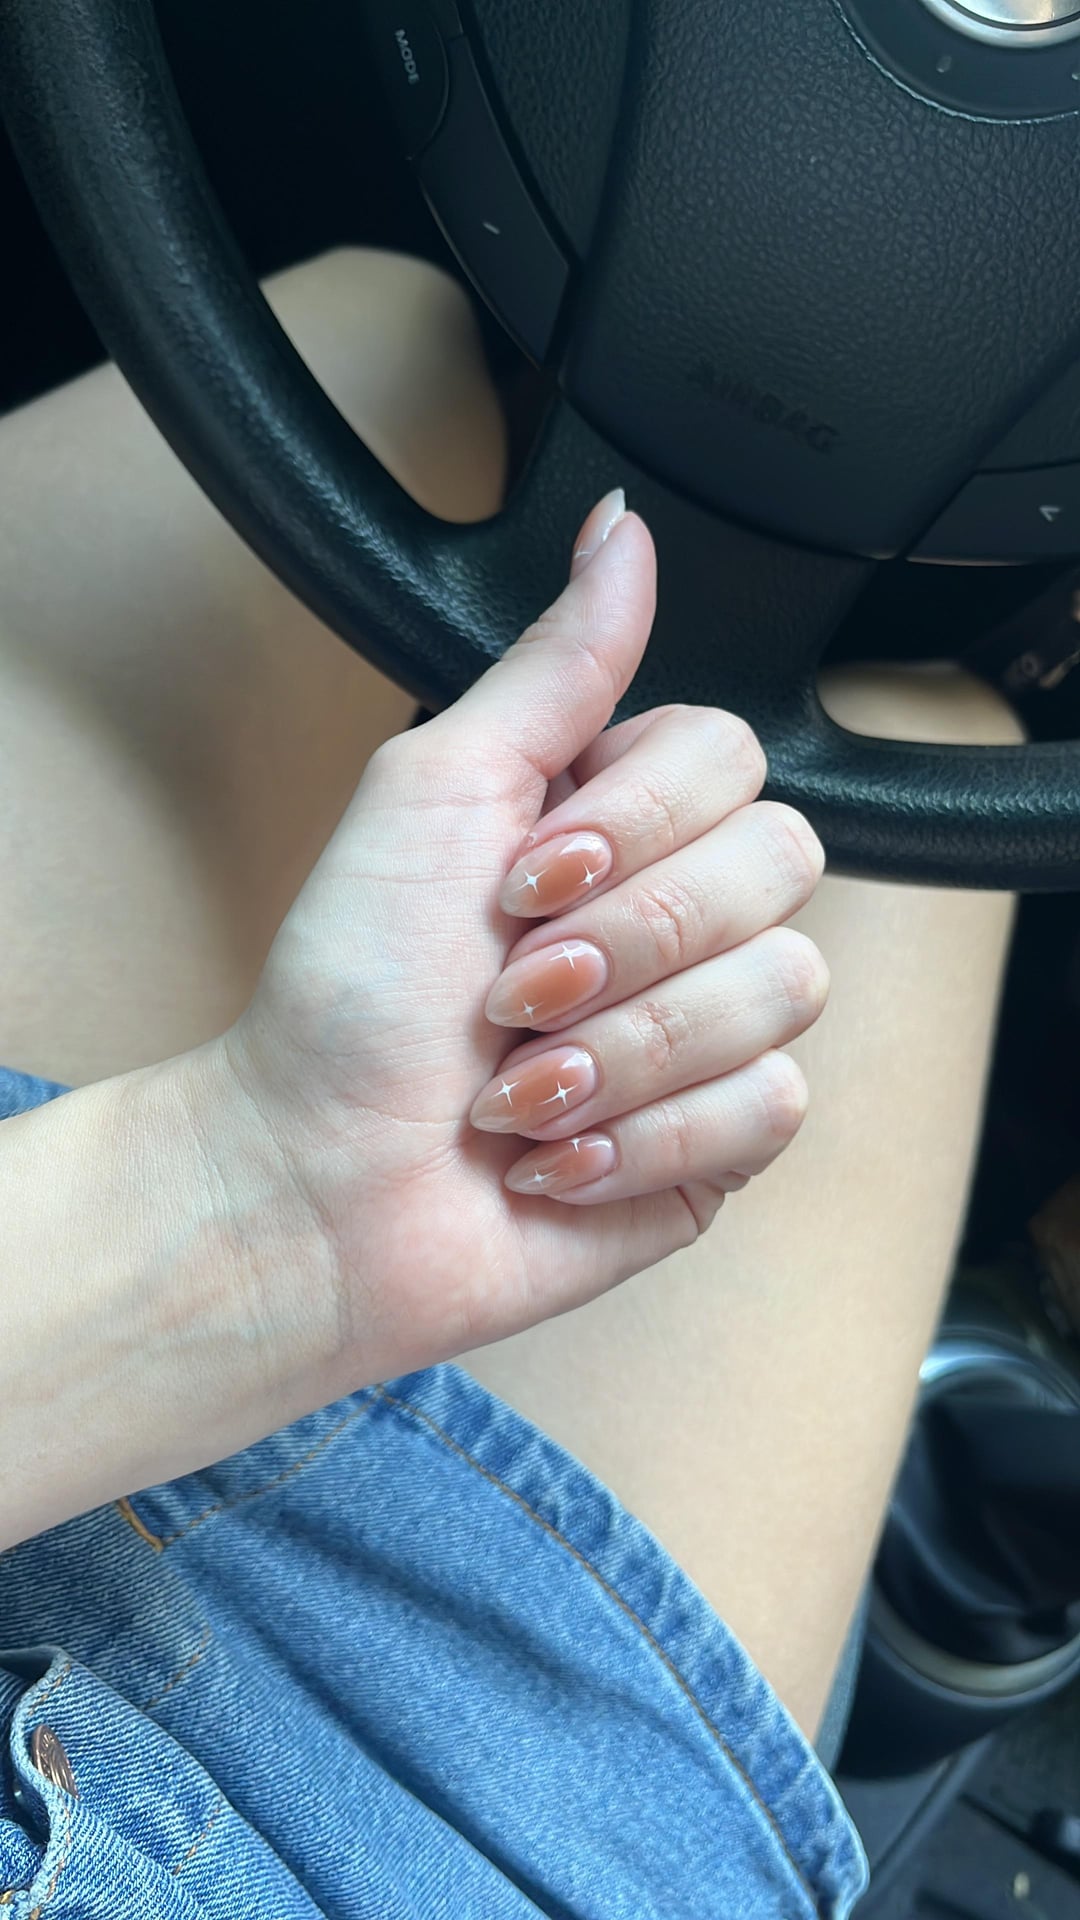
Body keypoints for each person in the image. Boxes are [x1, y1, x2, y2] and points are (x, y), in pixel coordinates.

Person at [0, 248, 1024, 1918]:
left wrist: (243, 1203)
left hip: (49, 1293)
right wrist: (260, 1223)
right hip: (410, 1846)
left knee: (380, 335)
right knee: (945, 740)